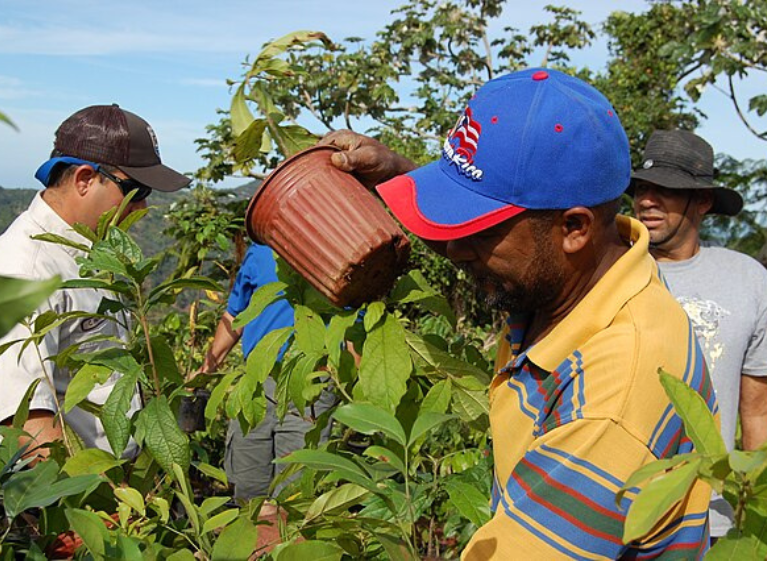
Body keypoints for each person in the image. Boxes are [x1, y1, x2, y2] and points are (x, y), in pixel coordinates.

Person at [321, 68, 717, 558]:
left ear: (574, 228)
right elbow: (481, 240)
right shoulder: (585, 278)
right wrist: (407, 177)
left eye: (478, 230)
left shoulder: (611, 398)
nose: (455, 251)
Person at [0, 104, 190, 458]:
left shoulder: (91, 250)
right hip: (76, 499)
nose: (143, 208)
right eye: (134, 190)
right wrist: (102, 502)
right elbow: (23, 424)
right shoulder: (24, 271)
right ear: (85, 179)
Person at [628, 129, 767, 539]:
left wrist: (755, 513)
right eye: (642, 188)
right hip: (615, 510)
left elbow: (756, 412)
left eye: (666, 190)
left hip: (712, 520)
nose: (647, 201)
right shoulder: (608, 273)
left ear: (703, 201)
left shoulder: (748, 280)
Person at [196, 242, 335, 502]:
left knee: (295, 496)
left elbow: (352, 328)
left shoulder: (339, 250)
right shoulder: (260, 251)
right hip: (257, 384)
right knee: (248, 490)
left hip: (310, 388)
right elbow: (235, 316)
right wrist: (206, 369)